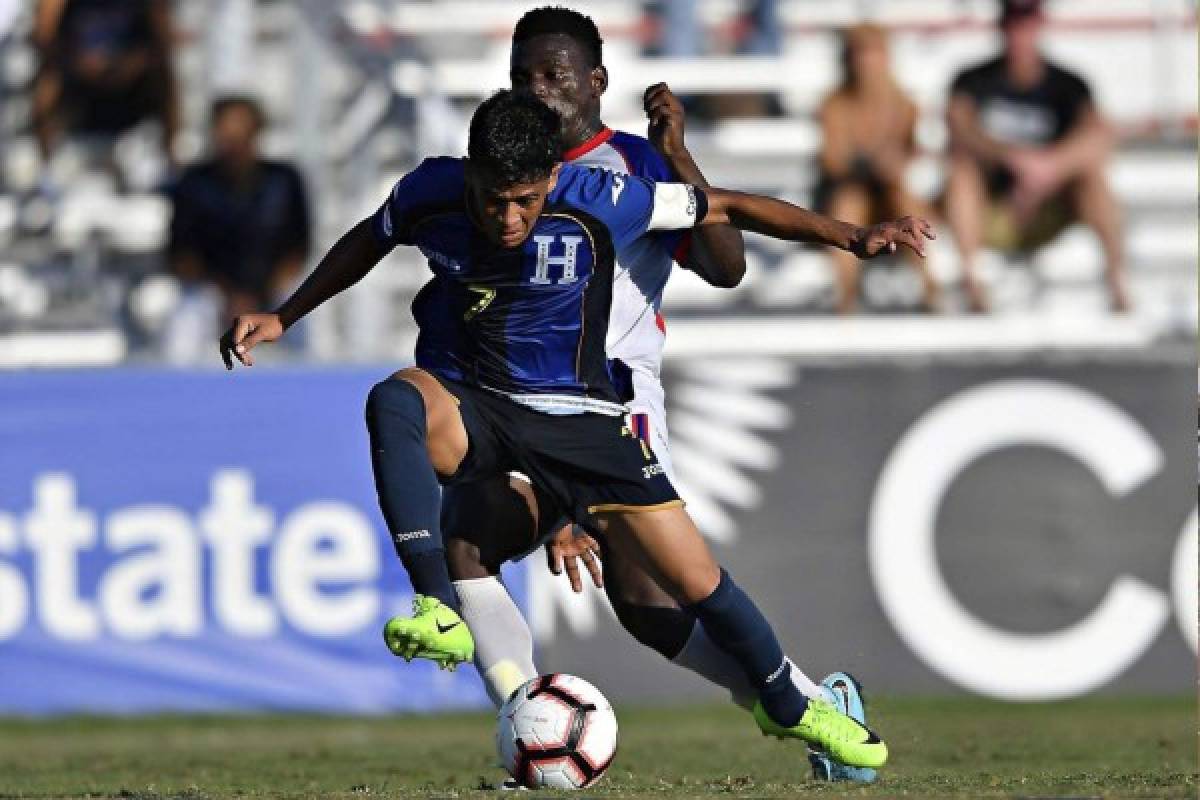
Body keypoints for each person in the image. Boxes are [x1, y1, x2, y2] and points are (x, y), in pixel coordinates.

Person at [220, 89, 931, 768]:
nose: (508, 218)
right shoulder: (428, 191)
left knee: (695, 585)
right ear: (470, 175)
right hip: (484, 409)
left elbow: (730, 205)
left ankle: (789, 704)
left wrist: (852, 235)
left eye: (526, 201)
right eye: (493, 199)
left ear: (553, 179)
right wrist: (285, 314)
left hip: (585, 419)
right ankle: (436, 606)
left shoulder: (604, 198)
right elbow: (369, 237)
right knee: (395, 402)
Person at [443, 7, 872, 783]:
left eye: (554, 77)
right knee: (620, 596)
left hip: (614, 405)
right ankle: (810, 707)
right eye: (522, 78)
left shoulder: (631, 166)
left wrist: (677, 155)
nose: (537, 92)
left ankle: (811, 705)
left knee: (656, 595)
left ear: (596, 83)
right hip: (528, 403)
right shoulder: (502, 180)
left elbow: (726, 266)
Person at [944, 0, 1129, 312]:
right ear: (1002, 27)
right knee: (961, 173)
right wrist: (1011, 159)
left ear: (1040, 26)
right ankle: (972, 282)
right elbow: (958, 127)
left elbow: (1099, 135)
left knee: (1094, 178)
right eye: (1014, 25)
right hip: (993, 206)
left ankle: (1116, 280)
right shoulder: (972, 81)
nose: (1020, 34)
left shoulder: (1069, 84)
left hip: (1051, 204)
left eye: (1027, 25)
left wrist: (1050, 166)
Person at [816, 23, 940, 313]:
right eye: (860, 56)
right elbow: (832, 161)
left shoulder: (905, 104)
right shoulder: (834, 105)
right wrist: (871, 163)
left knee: (905, 203)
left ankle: (929, 289)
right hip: (850, 191)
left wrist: (897, 161)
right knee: (848, 204)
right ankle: (846, 298)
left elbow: (915, 151)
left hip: (891, 194)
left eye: (873, 55)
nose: (867, 66)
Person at [169, 95, 311, 325]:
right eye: (225, 131)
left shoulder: (284, 180)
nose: (232, 140)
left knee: (303, 305)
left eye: (240, 130)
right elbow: (183, 254)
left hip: (273, 290)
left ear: (256, 131)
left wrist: (261, 295)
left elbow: (298, 249)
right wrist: (228, 295)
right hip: (211, 293)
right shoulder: (194, 183)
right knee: (188, 315)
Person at [31, 0, 178, 164]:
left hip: (132, 92)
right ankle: (45, 162)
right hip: (79, 89)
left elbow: (162, 44)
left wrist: (127, 65)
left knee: (164, 74)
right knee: (48, 80)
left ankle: (172, 157)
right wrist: (80, 62)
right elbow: (44, 40)